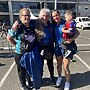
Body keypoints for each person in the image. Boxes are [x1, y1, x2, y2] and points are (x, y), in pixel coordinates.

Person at [7, 8, 44, 90]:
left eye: (28, 15)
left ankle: (29, 81)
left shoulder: (32, 25)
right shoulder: (17, 26)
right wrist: (16, 44)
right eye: (24, 15)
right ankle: (23, 85)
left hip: (30, 52)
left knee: (28, 68)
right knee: (21, 70)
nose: (26, 17)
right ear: (20, 17)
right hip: (20, 53)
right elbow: (9, 37)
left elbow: (41, 19)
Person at [51, 9, 80, 90]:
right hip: (57, 47)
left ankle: (67, 82)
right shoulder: (53, 25)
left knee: (66, 66)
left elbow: (77, 33)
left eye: (56, 15)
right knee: (59, 64)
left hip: (67, 47)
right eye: (53, 16)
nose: (55, 17)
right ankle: (59, 77)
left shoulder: (66, 22)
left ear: (59, 15)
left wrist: (71, 39)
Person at [38, 8, 54, 80]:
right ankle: (40, 76)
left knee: (50, 63)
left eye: (47, 16)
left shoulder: (51, 25)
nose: (45, 17)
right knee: (40, 64)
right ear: (40, 16)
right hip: (39, 47)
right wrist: (17, 21)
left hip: (49, 46)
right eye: (43, 15)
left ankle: (52, 75)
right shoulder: (36, 24)